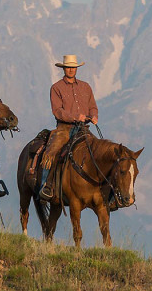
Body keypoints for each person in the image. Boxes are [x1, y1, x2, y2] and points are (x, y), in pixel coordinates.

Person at [39, 55, 98, 201]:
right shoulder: (56, 88)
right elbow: (57, 111)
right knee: (51, 151)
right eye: (68, 67)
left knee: (98, 150)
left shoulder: (86, 87)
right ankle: (46, 185)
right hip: (64, 128)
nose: (71, 70)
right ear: (64, 69)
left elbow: (92, 106)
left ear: (76, 69)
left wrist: (94, 116)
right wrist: (75, 117)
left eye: (73, 67)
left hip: (83, 128)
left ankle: (104, 190)